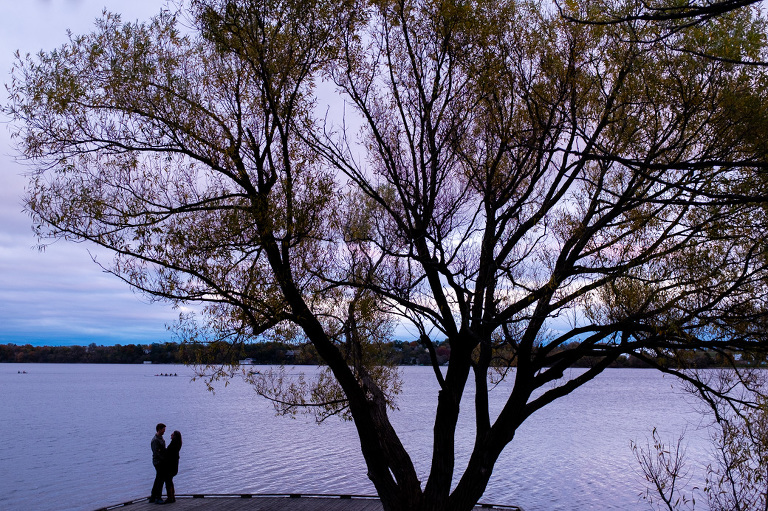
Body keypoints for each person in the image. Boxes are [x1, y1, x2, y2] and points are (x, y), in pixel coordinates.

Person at [149, 423, 166, 504]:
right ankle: (158, 497)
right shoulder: (155, 440)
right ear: (159, 429)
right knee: (160, 479)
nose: (164, 431)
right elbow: (157, 453)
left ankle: (153, 496)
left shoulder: (160, 438)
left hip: (160, 461)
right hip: (158, 462)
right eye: (163, 430)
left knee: (158, 478)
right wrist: (163, 459)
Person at [164, 431, 182, 504]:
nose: (171, 435)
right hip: (174, 465)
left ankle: (170, 497)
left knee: (168, 481)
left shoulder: (173, 444)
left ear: (175, 436)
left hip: (171, 466)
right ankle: (172, 497)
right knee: (170, 480)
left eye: (173, 434)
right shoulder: (177, 444)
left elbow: (168, 452)